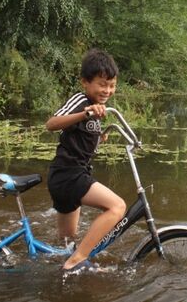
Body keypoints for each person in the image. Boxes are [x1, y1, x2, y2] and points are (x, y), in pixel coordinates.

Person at [45, 48, 127, 272]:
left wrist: (98, 137)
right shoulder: (81, 101)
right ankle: (78, 260)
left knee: (66, 244)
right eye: (102, 84)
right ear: (85, 82)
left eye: (111, 85)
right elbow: (51, 124)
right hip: (69, 176)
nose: (107, 90)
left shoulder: (96, 109)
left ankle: (61, 270)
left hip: (67, 177)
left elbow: (78, 141)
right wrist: (86, 114)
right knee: (118, 207)